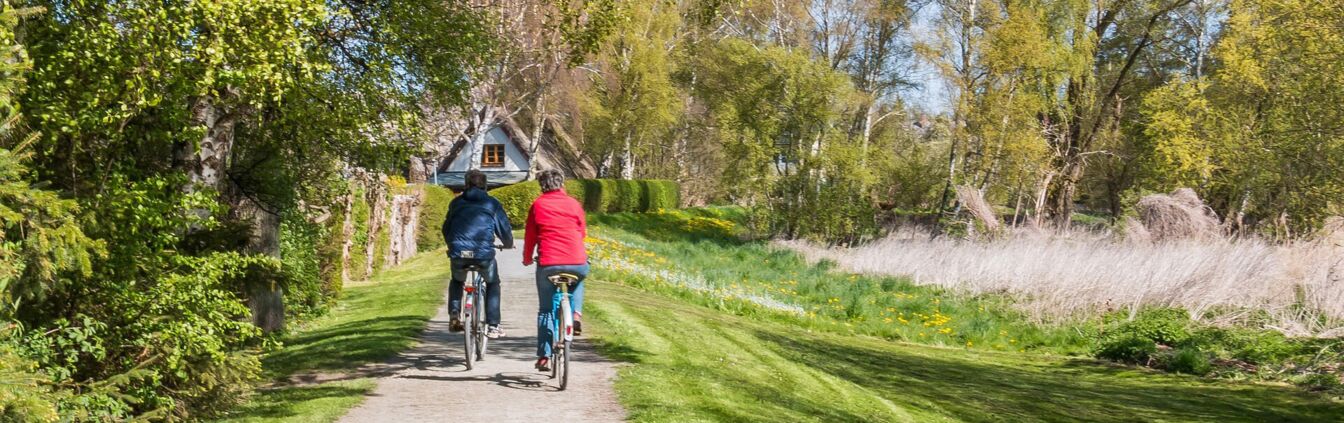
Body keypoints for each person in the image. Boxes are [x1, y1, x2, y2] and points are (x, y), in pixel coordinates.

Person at [522, 169, 588, 372]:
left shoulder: (538, 205)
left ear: (542, 185)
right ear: (561, 184)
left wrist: (526, 259)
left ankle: (544, 356)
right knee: (579, 278)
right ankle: (575, 315)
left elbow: (530, 236)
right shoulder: (574, 204)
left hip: (548, 263)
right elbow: (583, 232)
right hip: (576, 261)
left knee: (546, 310)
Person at [442, 169, 514, 339]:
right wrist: (508, 244)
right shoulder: (492, 203)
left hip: (459, 252)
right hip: (483, 254)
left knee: (457, 280)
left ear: (466, 185)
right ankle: (493, 325)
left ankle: (454, 313)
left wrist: (451, 244)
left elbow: (446, 228)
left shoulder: (456, 203)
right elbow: (503, 229)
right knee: (492, 282)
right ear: (485, 186)